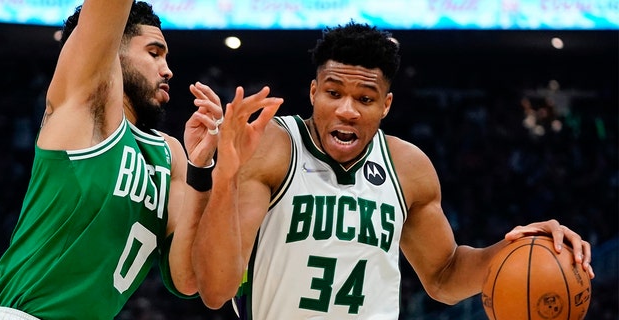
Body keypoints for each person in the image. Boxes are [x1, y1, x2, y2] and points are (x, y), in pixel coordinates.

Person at [191, 21, 595, 319]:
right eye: (333, 93)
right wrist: (225, 174)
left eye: (365, 99)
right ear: (313, 93)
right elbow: (216, 289)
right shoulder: (273, 147)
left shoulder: (408, 167)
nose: (346, 110)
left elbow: (445, 276)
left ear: (385, 106)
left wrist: (522, 250)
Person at [0, 1, 282, 319]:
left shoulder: (170, 154)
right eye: (154, 53)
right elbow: (105, 14)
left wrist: (201, 166)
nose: (168, 70)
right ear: (112, 52)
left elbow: (187, 280)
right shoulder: (84, 108)